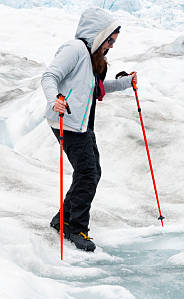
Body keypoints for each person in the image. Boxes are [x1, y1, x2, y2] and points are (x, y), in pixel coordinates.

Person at [41, 8, 136, 252]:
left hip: (82, 125)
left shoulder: (92, 58)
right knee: (87, 173)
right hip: (67, 122)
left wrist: (126, 82)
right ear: (98, 35)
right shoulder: (74, 50)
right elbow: (50, 76)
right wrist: (56, 100)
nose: (112, 46)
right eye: (110, 40)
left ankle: (63, 220)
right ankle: (76, 227)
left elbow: (98, 88)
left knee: (91, 172)